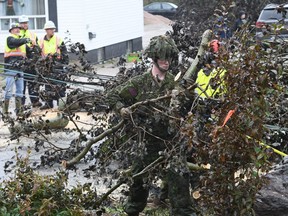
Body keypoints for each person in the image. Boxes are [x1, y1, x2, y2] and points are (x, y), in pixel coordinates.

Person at [106, 35, 196, 216]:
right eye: (163, 59)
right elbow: (113, 96)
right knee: (139, 180)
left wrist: (186, 99)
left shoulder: (175, 83)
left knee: (180, 177)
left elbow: (189, 107)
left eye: (169, 59)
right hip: (147, 142)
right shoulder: (139, 84)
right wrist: (122, 110)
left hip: (171, 141)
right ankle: (132, 211)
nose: (167, 62)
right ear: (154, 59)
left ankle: (183, 212)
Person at [38, 20, 69, 110]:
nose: (53, 31)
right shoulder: (41, 41)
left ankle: (61, 105)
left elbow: (65, 54)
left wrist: (64, 65)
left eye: (53, 29)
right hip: (46, 66)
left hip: (57, 65)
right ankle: (49, 103)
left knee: (60, 85)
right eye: (51, 29)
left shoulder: (58, 40)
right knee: (48, 85)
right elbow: (38, 54)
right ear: (46, 30)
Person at [2, 22, 31, 117]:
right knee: (9, 90)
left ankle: (19, 111)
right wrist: (26, 39)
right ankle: (5, 111)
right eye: (15, 29)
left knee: (20, 90)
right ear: (11, 31)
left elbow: (30, 51)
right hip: (10, 68)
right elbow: (15, 43)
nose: (17, 30)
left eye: (18, 28)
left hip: (20, 69)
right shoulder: (10, 39)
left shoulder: (22, 42)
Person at [19, 15, 42, 108]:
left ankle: (35, 101)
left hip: (32, 62)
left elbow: (37, 48)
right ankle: (21, 103)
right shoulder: (17, 34)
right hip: (22, 62)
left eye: (26, 22)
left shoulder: (32, 34)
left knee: (33, 82)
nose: (25, 24)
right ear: (20, 24)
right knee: (22, 84)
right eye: (23, 23)